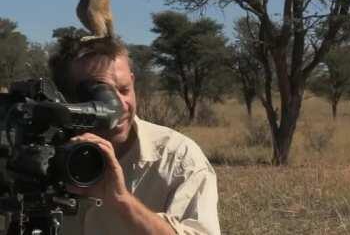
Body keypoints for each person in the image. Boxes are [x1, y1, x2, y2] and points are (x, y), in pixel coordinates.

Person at [48, 37, 221, 235]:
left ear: (132, 80)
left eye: (124, 90)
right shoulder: (38, 152)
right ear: (65, 99)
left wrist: (121, 201)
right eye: (100, 96)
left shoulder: (176, 158)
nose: (119, 105)